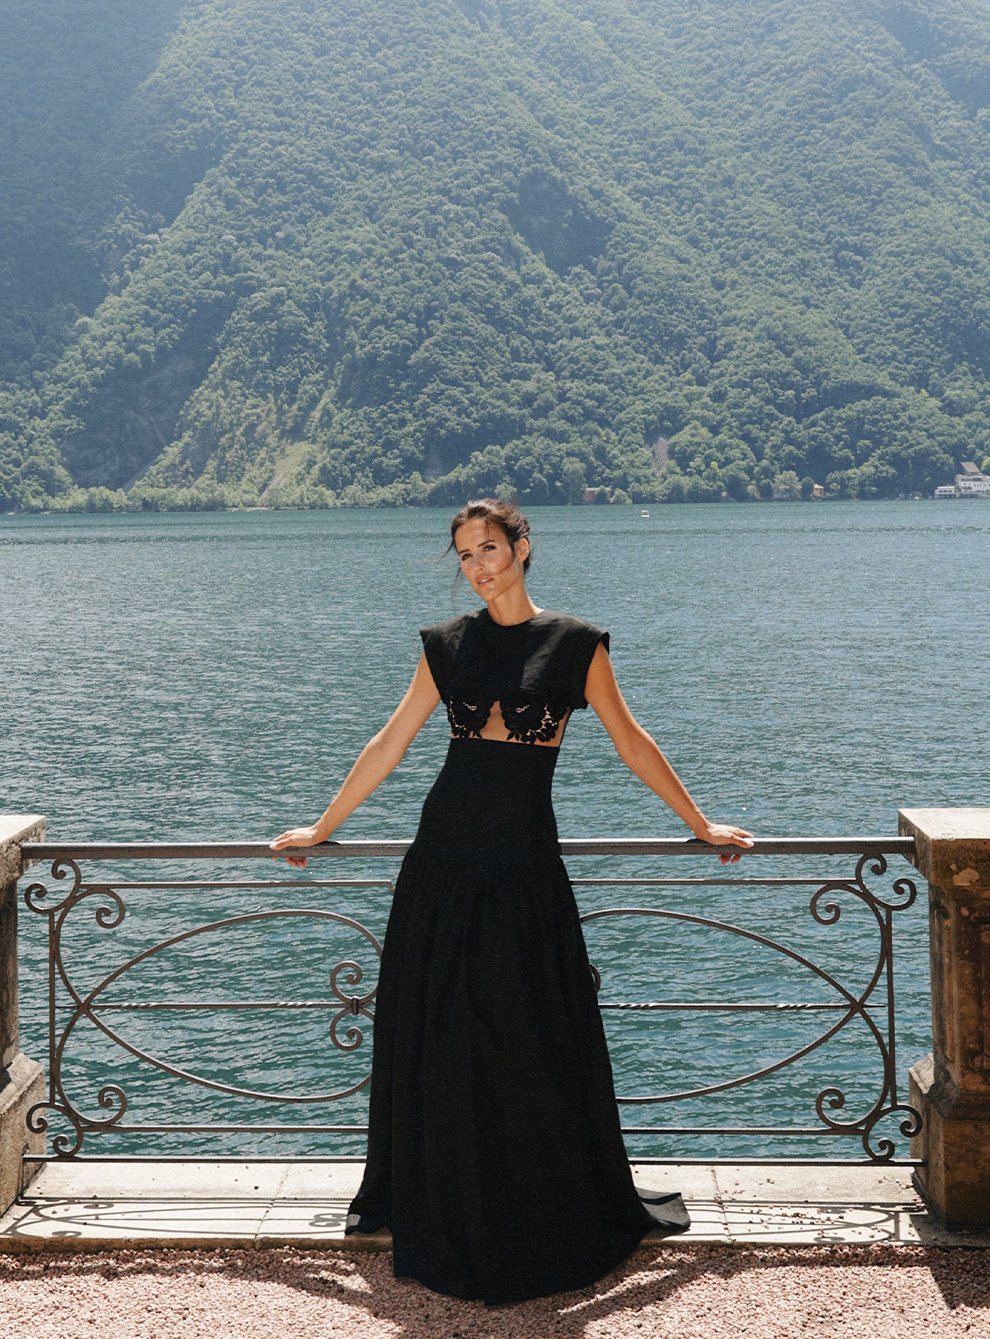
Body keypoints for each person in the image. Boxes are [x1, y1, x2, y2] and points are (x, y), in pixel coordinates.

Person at [271, 497, 753, 1304]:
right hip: (444, 860)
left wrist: (699, 822)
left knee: (527, 1028)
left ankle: (536, 1204)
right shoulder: (446, 646)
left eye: (490, 548)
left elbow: (632, 740)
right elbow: (389, 741)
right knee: (445, 1026)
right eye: (464, 554)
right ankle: (447, 1199)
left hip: (525, 861)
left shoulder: (575, 645)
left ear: (524, 548)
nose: (478, 565)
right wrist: (321, 827)